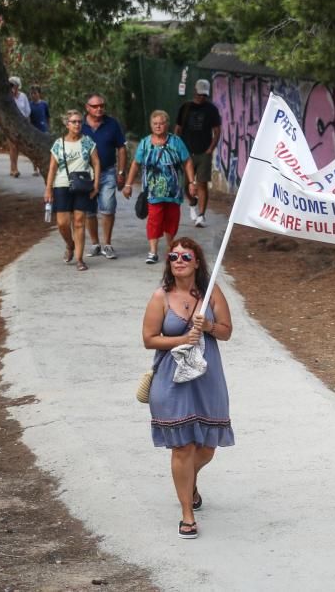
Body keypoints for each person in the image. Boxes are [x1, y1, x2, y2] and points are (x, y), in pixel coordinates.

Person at [141, 236, 234, 539]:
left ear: (197, 262)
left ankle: (189, 480)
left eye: (185, 257)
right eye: (173, 257)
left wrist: (207, 327)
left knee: (206, 447)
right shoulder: (160, 297)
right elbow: (149, 339)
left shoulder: (211, 293)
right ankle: (187, 513)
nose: (178, 261)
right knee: (182, 446)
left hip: (207, 377)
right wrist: (181, 339)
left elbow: (226, 332)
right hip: (171, 378)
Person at [123, 110, 196, 264]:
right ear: (151, 125)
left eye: (161, 123)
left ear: (167, 125)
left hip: (174, 191)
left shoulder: (176, 142)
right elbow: (136, 164)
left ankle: (170, 248)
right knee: (154, 220)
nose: (158, 126)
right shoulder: (145, 143)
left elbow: (187, 161)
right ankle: (153, 251)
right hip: (152, 190)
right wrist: (128, 184)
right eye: (155, 123)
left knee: (172, 219)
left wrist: (191, 182)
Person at [44, 110, 101, 271]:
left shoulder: (87, 141)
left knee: (79, 221)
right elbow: (52, 167)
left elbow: (96, 163)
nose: (77, 124)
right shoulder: (58, 143)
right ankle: (70, 244)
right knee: (62, 223)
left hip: (82, 185)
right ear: (67, 124)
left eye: (79, 122)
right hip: (62, 184)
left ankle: (79, 259)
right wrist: (48, 189)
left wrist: (96, 185)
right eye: (74, 122)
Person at [81, 93, 127, 260]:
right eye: (95, 106)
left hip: (108, 171)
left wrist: (121, 172)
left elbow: (121, 148)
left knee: (108, 206)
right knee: (89, 211)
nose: (99, 108)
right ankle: (95, 244)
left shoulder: (112, 124)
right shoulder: (80, 125)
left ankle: (107, 244)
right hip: (85, 174)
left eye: (101, 105)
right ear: (87, 107)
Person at [174, 79, 221, 228]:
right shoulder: (185, 107)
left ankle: (201, 215)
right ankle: (192, 203)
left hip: (203, 152)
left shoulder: (211, 109)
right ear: (195, 91)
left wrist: (210, 149)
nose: (202, 97)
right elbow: (178, 129)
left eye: (204, 95)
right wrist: (177, 147)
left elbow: (217, 131)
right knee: (185, 185)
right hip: (186, 153)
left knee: (202, 183)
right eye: (200, 94)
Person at [7, 76, 34, 177]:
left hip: (22, 125)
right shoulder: (7, 97)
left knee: (17, 147)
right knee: (13, 146)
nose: (12, 87)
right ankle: (14, 169)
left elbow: (27, 112)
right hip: (11, 124)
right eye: (11, 85)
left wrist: (29, 126)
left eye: (14, 85)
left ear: (18, 86)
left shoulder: (23, 96)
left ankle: (12, 168)